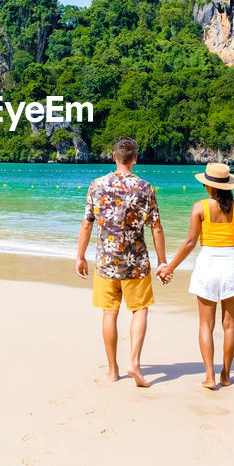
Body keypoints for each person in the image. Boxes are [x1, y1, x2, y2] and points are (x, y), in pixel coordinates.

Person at [74, 136, 168, 387]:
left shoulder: (96, 185)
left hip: (106, 262)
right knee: (139, 310)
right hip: (136, 262)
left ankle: (113, 370)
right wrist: (162, 261)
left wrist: (80, 256)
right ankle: (134, 362)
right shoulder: (145, 188)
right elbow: (156, 228)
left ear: (114, 156)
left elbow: (86, 224)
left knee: (109, 313)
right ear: (135, 159)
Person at [158, 163, 234, 389]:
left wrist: (170, 267)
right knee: (230, 325)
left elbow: (190, 242)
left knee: (206, 325)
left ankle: (209, 377)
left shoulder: (199, 207)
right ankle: (226, 375)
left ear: (208, 186)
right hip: (233, 265)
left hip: (208, 265)